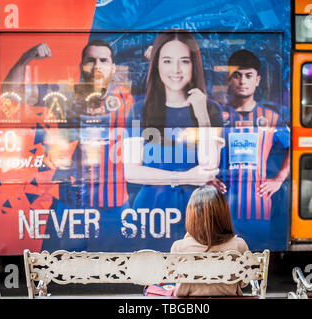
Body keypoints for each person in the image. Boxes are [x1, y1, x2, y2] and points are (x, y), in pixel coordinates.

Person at [2, 39, 134, 251]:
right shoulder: (63, 94)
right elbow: (10, 93)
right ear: (81, 64)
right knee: (58, 267)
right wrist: (25, 59)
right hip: (71, 199)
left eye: (103, 60)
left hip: (114, 201)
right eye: (91, 60)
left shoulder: (127, 98)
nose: (97, 66)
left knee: (122, 265)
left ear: (112, 66)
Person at [123, 29, 224, 249]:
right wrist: (184, 176)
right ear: (157, 64)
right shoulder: (139, 110)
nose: (176, 70)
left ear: (193, 65)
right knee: (155, 278)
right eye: (167, 61)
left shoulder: (211, 110)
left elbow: (209, 166)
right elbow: (131, 171)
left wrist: (202, 115)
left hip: (198, 214)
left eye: (184, 61)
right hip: (151, 213)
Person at [216, 49, 290, 232]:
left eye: (248, 75)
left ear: (257, 81)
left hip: (257, 204)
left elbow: (294, 148)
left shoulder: (272, 118)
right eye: (237, 75)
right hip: (220, 203)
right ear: (228, 79)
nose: (242, 81)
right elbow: (199, 151)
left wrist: (279, 179)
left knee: (256, 255)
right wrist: (208, 178)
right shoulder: (216, 116)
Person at [170, 185, 249, 296]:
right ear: (224, 214)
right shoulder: (239, 245)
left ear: (192, 215)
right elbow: (243, 282)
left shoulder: (179, 247)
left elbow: (175, 279)